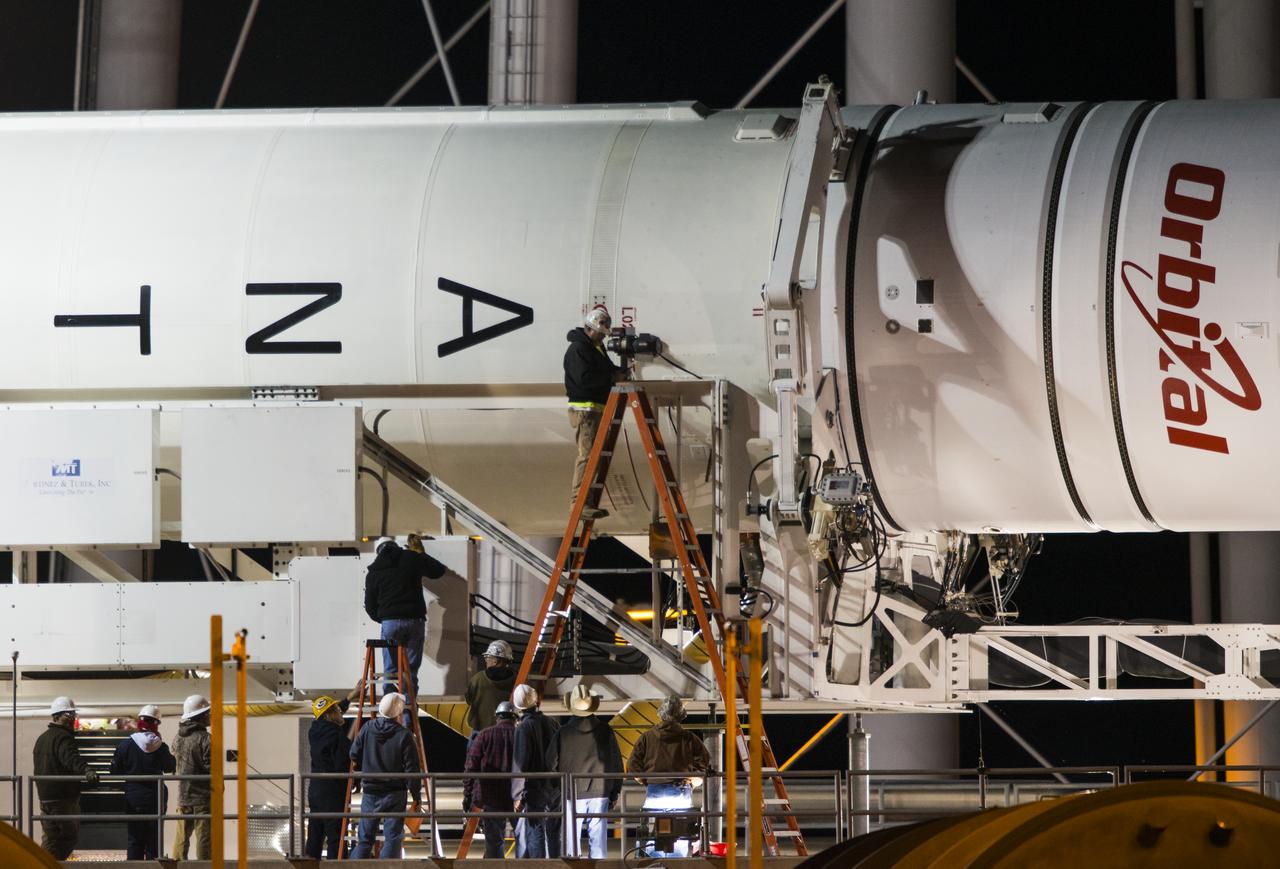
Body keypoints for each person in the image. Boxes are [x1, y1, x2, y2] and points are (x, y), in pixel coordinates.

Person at [363, 536, 448, 702]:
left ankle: (390, 712)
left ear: (378, 551)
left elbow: (370, 606)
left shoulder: (374, 571)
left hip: (390, 624)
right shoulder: (411, 558)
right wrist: (420, 554)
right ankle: (408, 714)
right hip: (414, 621)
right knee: (409, 671)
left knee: (390, 670)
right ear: (396, 546)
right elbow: (438, 571)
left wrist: (384, 619)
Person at [627, 695, 710, 857]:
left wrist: (647, 781)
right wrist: (692, 782)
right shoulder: (689, 738)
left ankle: (652, 864)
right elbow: (704, 762)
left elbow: (633, 765)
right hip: (681, 791)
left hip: (654, 792)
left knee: (652, 835)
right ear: (680, 715)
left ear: (661, 714)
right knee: (679, 835)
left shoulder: (647, 737)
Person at [547, 685, 623, 858]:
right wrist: (615, 791)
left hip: (570, 791)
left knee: (570, 839)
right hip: (600, 790)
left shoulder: (563, 732)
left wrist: (557, 788)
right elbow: (617, 763)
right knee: (598, 838)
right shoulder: (606, 731)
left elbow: (550, 763)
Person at [563, 307, 624, 519]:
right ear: (591, 329)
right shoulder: (579, 350)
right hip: (585, 411)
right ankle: (578, 505)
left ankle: (584, 502)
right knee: (587, 457)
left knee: (593, 458)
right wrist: (610, 379)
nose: (603, 338)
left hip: (595, 409)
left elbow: (603, 370)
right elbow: (584, 379)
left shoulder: (595, 347)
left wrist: (617, 372)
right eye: (600, 334)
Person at [349, 692, 421, 859]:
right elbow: (412, 769)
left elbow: (354, 753)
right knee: (393, 838)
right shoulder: (404, 735)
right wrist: (416, 795)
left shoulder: (367, 728)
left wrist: (363, 768)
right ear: (399, 712)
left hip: (370, 791)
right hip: (395, 792)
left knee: (365, 839)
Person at [33, 696, 98, 860]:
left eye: (73, 715)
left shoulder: (42, 738)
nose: (72, 719)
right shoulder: (63, 737)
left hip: (45, 797)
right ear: (56, 716)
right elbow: (71, 759)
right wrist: (87, 770)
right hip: (62, 797)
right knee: (69, 836)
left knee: (50, 838)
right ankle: (51, 865)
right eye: (68, 715)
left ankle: (39, 864)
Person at [110, 704, 177, 861]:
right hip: (156, 798)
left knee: (135, 840)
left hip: (133, 798)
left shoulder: (125, 745)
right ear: (156, 724)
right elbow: (170, 766)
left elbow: (114, 770)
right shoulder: (160, 746)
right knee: (153, 839)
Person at [305, 681, 363, 860]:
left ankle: (308, 863)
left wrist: (349, 698)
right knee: (336, 838)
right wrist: (357, 781)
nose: (340, 711)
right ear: (330, 716)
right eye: (337, 709)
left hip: (315, 791)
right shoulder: (337, 737)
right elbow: (343, 766)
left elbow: (330, 717)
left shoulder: (314, 731)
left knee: (315, 834)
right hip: (332, 792)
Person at [511, 683, 561, 858]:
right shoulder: (552, 723)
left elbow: (520, 763)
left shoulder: (523, 728)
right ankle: (556, 864)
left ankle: (538, 865)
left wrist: (517, 795)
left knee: (535, 830)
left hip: (535, 788)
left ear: (518, 706)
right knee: (554, 832)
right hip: (555, 787)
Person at [463, 700, 518, 858]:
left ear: (497, 717)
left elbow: (471, 767)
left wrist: (468, 795)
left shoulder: (484, 735)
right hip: (517, 797)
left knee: (494, 842)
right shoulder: (520, 735)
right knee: (523, 838)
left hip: (490, 796)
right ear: (515, 718)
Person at [171, 694, 213, 861]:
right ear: (201, 716)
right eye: (207, 713)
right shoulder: (206, 739)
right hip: (202, 798)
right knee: (204, 840)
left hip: (183, 797)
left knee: (181, 839)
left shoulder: (178, 737)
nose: (209, 716)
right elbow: (212, 769)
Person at [465, 640, 517, 737]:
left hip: (480, 733)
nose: (486, 660)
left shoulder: (477, 679)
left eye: (488, 657)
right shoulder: (517, 680)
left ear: (495, 661)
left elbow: (468, 700)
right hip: (505, 734)